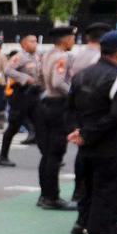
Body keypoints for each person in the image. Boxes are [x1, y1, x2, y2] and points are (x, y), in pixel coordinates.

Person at [68, 30, 117, 234]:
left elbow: (73, 107)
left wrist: (83, 132)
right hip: (113, 146)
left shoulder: (82, 75)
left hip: (89, 147)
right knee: (106, 197)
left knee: (92, 195)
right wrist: (89, 133)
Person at [33, 26, 77, 210]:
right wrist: (74, 93)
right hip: (58, 105)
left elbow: (38, 77)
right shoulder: (62, 56)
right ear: (65, 40)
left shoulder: (45, 55)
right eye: (72, 38)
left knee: (47, 154)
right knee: (55, 154)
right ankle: (52, 197)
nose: (73, 41)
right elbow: (59, 82)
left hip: (45, 103)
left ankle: (45, 195)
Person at [0, 34, 40, 166]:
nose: (35, 43)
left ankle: (50, 155)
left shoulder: (37, 56)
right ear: (24, 44)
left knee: (41, 124)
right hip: (21, 94)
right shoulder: (20, 57)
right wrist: (25, 78)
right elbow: (8, 70)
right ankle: (2, 156)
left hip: (34, 94)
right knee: (14, 127)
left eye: (36, 41)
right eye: (32, 41)